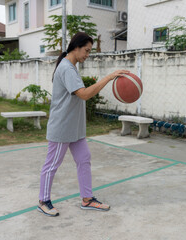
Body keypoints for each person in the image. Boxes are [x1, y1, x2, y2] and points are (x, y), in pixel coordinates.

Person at [37, 32, 129, 217]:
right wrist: (109, 77)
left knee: (84, 159)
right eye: (86, 50)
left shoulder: (71, 66)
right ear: (76, 47)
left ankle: (87, 199)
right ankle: (43, 201)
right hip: (62, 127)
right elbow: (84, 94)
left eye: (89, 51)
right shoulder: (66, 68)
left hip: (75, 128)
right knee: (52, 164)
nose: (88, 54)